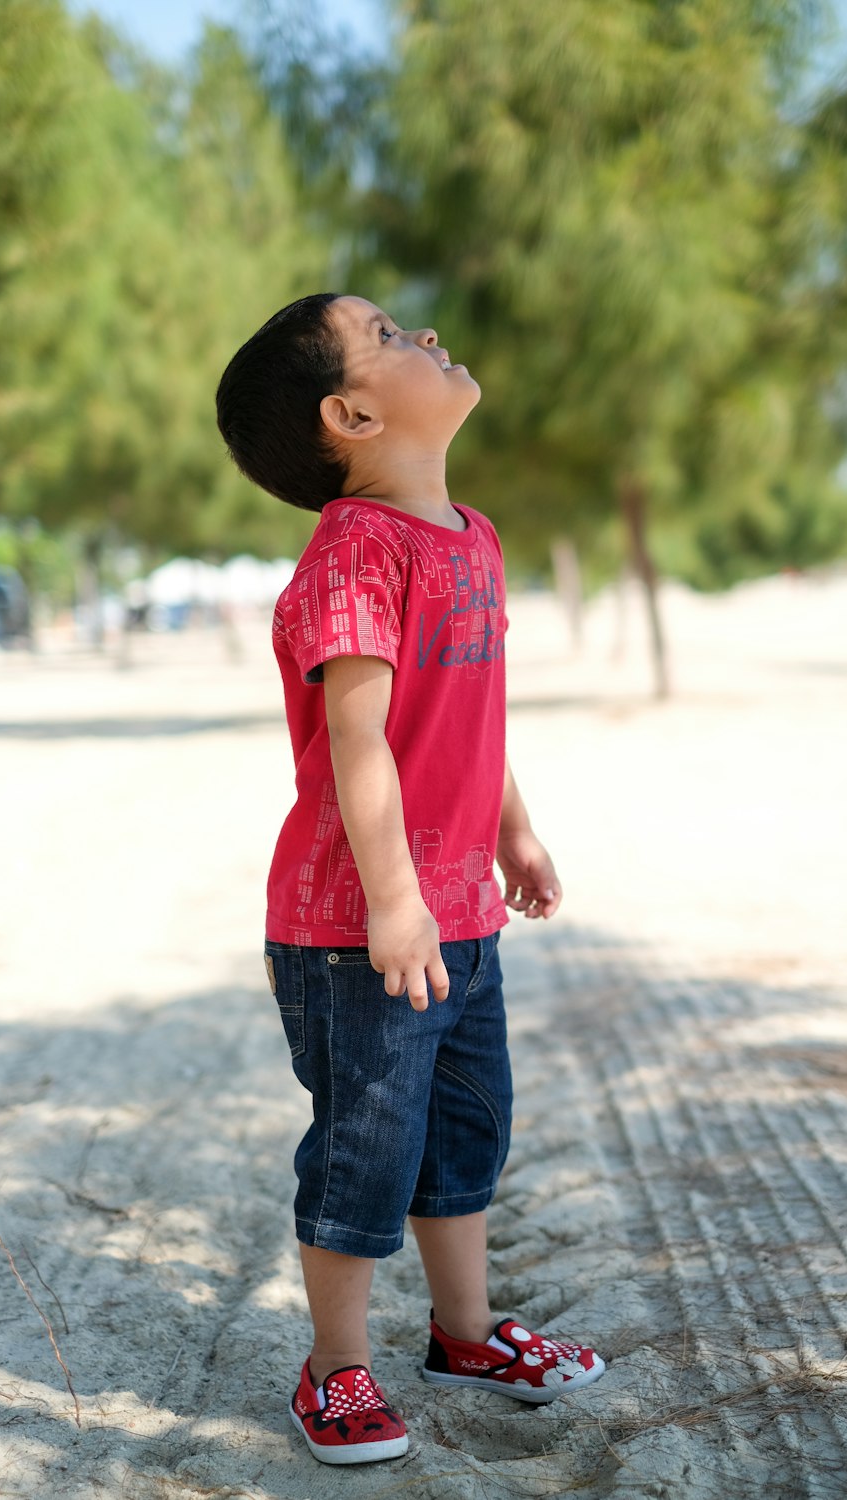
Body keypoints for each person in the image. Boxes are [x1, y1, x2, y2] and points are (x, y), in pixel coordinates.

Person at [215, 294, 605, 1466]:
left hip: (460, 916)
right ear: (351, 413)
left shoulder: (469, 535)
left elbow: (467, 723)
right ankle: (335, 1369)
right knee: (364, 1149)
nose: (424, 335)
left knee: (465, 1131)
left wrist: (512, 831)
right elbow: (362, 738)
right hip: (359, 926)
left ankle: (466, 1332)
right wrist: (394, 899)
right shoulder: (355, 550)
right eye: (388, 336)